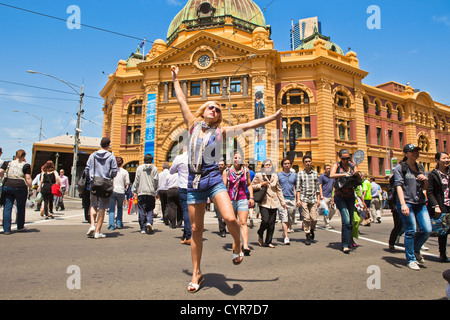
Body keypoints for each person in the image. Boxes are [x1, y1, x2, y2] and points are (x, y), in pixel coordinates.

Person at [171, 65, 282, 293]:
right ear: (203, 111)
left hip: (213, 179)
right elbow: (182, 99)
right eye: (212, 107)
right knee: (195, 229)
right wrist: (175, 79)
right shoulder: (192, 125)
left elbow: (251, 124)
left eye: (219, 110)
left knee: (231, 219)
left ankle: (238, 243)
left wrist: (273, 117)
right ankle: (196, 273)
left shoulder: (221, 132)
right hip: (194, 183)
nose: (215, 111)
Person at [393, 143, 432, 270]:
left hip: (420, 202)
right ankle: (411, 259)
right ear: (406, 153)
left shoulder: (420, 167)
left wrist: (425, 180)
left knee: (427, 230)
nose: (416, 153)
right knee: (411, 230)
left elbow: (425, 187)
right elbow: (398, 186)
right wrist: (403, 204)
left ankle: (415, 250)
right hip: (407, 202)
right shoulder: (400, 167)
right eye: (413, 151)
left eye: (417, 151)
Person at [330, 149, 361, 253]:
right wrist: (344, 174)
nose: (346, 160)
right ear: (340, 158)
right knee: (346, 220)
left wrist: (356, 174)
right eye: (344, 158)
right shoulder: (337, 165)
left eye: (348, 158)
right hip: (340, 196)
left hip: (350, 196)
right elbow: (331, 175)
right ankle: (345, 245)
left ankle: (348, 242)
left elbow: (357, 175)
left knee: (350, 221)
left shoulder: (352, 165)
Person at [86, 137, 118, 239]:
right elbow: (114, 171)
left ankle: (92, 225)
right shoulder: (111, 156)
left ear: (100, 144)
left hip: (94, 182)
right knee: (102, 208)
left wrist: (91, 177)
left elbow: (87, 169)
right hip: (105, 184)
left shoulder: (92, 156)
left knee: (93, 205)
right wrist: (109, 177)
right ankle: (97, 232)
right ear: (108, 145)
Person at [223, 151, 254, 255]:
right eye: (235, 157)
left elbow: (249, 184)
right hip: (230, 200)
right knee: (233, 223)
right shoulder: (227, 171)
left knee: (243, 222)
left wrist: (251, 197)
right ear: (232, 159)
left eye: (239, 158)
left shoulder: (246, 171)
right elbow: (223, 186)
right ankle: (237, 242)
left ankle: (245, 245)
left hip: (242, 199)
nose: (237, 160)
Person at [252, 159, 286, 248]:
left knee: (272, 223)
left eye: (269, 165)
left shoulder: (275, 176)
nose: (268, 166)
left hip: (274, 202)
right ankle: (260, 231)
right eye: (266, 165)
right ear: (263, 167)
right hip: (264, 202)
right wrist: (261, 185)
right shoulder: (259, 175)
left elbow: (279, 190)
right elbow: (251, 186)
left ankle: (268, 241)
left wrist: (282, 202)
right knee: (265, 220)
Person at [0, 149, 32, 234]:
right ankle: (20, 227)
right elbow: (28, 178)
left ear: (16, 155)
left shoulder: (8, 163)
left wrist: (3, 178)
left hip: (8, 185)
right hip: (20, 186)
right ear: (24, 156)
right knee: (20, 207)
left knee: (7, 207)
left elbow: (1, 171)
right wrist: (30, 188)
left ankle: (6, 229)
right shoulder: (26, 165)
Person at [426, 152, 450, 262]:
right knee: (443, 231)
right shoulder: (433, 174)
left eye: (448, 158)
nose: (447, 160)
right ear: (437, 161)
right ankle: (442, 254)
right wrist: (436, 206)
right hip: (442, 205)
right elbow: (430, 192)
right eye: (444, 158)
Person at [296, 155, 320, 245]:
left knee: (314, 218)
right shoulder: (300, 174)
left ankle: (312, 230)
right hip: (304, 198)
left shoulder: (315, 174)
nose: (308, 163)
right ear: (303, 163)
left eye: (309, 161)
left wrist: (318, 199)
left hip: (313, 198)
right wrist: (298, 199)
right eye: (306, 162)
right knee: (306, 218)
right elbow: (298, 188)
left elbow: (317, 188)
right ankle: (307, 235)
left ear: (311, 162)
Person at [170, 145, 191, 244]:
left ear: (183, 150)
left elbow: (171, 171)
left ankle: (189, 235)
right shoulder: (196, 156)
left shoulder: (179, 158)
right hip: (195, 187)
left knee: (186, 211)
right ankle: (188, 233)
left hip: (183, 186)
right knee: (195, 212)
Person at [133, 153, 159, 234]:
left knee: (142, 209)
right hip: (151, 192)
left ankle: (143, 228)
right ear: (152, 160)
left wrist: (134, 190)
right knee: (150, 209)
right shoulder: (155, 168)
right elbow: (156, 180)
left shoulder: (139, 168)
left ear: (144, 159)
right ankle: (149, 222)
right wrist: (155, 189)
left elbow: (136, 180)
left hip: (141, 191)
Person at [277, 157, 297, 244]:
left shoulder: (294, 175)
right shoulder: (278, 175)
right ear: (282, 165)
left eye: (288, 163)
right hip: (282, 199)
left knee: (291, 219)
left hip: (292, 199)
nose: (287, 165)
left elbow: (296, 187)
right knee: (284, 218)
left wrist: (297, 198)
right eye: (285, 164)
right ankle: (286, 237)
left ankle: (286, 229)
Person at [108, 157, 130, 230]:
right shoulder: (124, 172)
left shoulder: (111, 171)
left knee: (111, 208)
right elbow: (127, 182)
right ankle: (119, 224)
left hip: (112, 190)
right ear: (122, 163)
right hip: (121, 191)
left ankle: (111, 225)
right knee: (120, 208)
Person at [319, 164, 337, 229]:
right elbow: (320, 186)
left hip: (331, 195)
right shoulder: (322, 176)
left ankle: (327, 219)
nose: (329, 169)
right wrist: (321, 195)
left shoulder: (332, 176)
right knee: (326, 210)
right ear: (325, 169)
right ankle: (327, 223)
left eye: (329, 168)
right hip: (324, 196)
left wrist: (333, 197)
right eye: (327, 168)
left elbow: (334, 186)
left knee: (333, 209)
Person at [216, 159, 228, 237]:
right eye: (219, 164)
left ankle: (224, 224)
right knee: (220, 215)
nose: (220, 166)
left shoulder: (228, 173)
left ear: (225, 166)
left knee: (228, 215)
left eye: (222, 164)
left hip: (228, 196)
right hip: (217, 196)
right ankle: (222, 230)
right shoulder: (215, 174)